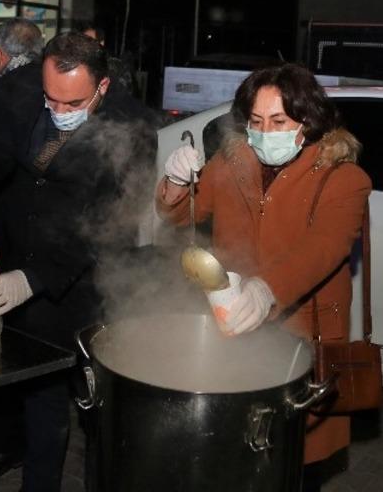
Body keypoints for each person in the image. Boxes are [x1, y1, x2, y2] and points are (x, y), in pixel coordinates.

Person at [0, 32, 156, 491]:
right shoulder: (22, 90)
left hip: (80, 279)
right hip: (15, 250)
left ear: (101, 87)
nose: (57, 111)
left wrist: (35, 278)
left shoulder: (133, 127)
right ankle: (19, 467)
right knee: (19, 382)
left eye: (71, 103)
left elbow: (107, 222)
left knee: (73, 396)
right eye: (50, 99)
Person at [156, 63, 370, 489]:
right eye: (255, 121)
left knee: (288, 461)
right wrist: (177, 181)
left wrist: (266, 288)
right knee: (229, 454)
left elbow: (323, 249)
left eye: (278, 121)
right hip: (231, 326)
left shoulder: (344, 179)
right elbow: (178, 214)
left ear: (307, 121)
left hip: (301, 340)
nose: (263, 132)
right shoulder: (234, 158)